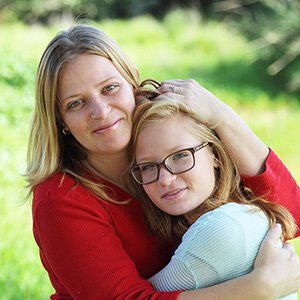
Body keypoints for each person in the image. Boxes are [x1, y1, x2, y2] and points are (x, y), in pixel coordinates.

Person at [25, 24, 300, 299]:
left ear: (132, 81)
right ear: (61, 120)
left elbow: (291, 215)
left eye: (109, 88)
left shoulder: (173, 131)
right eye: (76, 103)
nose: (100, 111)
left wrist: (221, 115)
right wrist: (255, 289)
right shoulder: (61, 199)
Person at [128, 93, 298, 299]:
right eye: (147, 166)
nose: (164, 179)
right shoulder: (241, 212)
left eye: (180, 155)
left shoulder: (224, 227)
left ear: (215, 155)